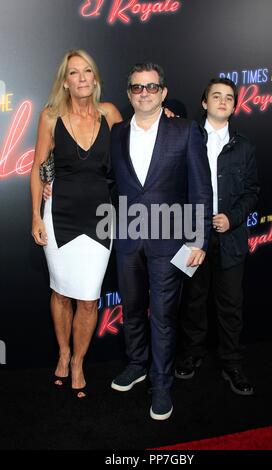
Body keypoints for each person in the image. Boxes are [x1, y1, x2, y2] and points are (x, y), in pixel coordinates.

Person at [109, 63, 212, 420]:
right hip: (126, 240)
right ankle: (137, 364)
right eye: (137, 88)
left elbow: (201, 189)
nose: (144, 93)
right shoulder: (117, 133)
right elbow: (111, 183)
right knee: (132, 310)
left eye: (152, 87)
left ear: (163, 92)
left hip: (169, 243)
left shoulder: (185, 131)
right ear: (129, 94)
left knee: (164, 318)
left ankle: (162, 384)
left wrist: (199, 239)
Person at [30, 50, 122, 398]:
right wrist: (36, 214)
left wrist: (166, 116)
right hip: (59, 215)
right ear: (64, 81)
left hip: (101, 218)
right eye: (74, 73)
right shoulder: (50, 117)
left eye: (87, 71)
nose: (82, 78)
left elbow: (141, 138)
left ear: (95, 79)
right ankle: (64, 353)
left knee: (88, 299)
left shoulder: (110, 114)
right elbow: (39, 168)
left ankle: (80, 360)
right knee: (60, 291)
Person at [175, 78, 259, 395]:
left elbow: (252, 192)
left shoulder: (245, 146)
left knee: (230, 305)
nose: (222, 101)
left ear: (235, 106)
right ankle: (191, 355)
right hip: (190, 235)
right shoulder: (184, 138)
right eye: (216, 96)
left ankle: (232, 363)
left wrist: (232, 218)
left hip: (231, 237)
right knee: (193, 300)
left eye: (229, 97)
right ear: (204, 102)